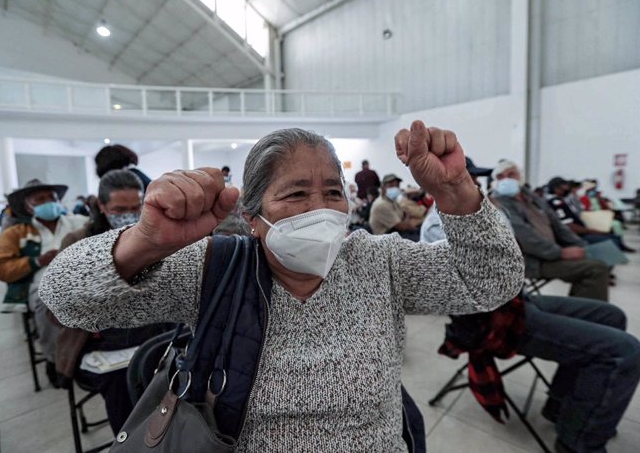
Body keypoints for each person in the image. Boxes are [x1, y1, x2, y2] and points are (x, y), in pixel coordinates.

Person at [41, 121, 524, 452]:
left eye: (333, 192)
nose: (321, 208)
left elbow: (491, 282)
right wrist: (144, 242)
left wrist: (457, 190)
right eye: (296, 194)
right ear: (252, 217)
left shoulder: (378, 260)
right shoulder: (217, 268)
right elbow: (67, 297)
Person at [421, 208, 640, 453]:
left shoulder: (481, 206)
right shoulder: (437, 225)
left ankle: (564, 406)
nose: (472, 182)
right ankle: (578, 444)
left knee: (611, 316)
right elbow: (475, 286)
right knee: (625, 352)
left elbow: (512, 253)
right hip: (492, 321)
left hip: (516, 302)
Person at [56, 170, 172, 434]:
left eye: (136, 207)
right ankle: (132, 443)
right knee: (125, 383)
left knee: (184, 369)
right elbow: (62, 307)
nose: (129, 214)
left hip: (153, 333)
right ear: (101, 207)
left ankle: (170, 436)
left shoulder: (157, 237)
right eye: (120, 209)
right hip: (103, 342)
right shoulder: (78, 242)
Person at [0, 179, 88, 386]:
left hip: (81, 280)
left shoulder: (78, 223)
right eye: (40, 199)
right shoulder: (15, 234)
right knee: (48, 304)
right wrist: (37, 261)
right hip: (42, 285)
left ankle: (92, 349)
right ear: (28, 206)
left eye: (52, 198)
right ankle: (55, 358)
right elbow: (1, 269)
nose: (48, 202)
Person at [491, 161, 609, 301]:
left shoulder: (533, 198)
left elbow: (558, 226)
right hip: (531, 261)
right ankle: (588, 316)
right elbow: (525, 237)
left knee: (601, 255)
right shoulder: (498, 204)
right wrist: (560, 253)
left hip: (550, 253)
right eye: (500, 176)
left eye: (511, 174)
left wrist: (580, 244)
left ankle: (580, 310)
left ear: (520, 177)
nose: (506, 179)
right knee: (595, 269)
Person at [547, 177, 634, 253]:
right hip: (575, 236)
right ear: (556, 188)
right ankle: (603, 266)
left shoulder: (564, 201)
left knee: (613, 236)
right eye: (564, 186)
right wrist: (591, 231)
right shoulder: (556, 203)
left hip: (581, 232)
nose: (567, 188)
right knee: (610, 241)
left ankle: (606, 265)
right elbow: (569, 226)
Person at [369, 173, 423, 240]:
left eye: (397, 185)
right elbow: (401, 226)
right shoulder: (382, 204)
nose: (395, 187)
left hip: (396, 234)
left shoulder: (392, 201)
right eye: (391, 185)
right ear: (383, 187)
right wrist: (416, 229)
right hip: (386, 239)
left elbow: (404, 215)